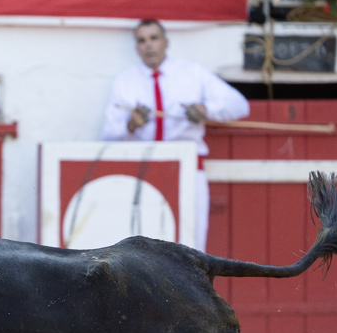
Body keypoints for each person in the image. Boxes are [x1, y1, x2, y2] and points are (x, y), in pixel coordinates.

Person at [101, 19, 249, 251]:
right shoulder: (125, 82)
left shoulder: (192, 73)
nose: (149, 45)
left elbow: (239, 105)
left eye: (154, 38)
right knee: (144, 239)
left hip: (189, 168)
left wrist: (205, 109)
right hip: (144, 170)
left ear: (166, 42)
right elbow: (108, 136)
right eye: (142, 40)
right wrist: (130, 126)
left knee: (192, 240)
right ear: (136, 47)